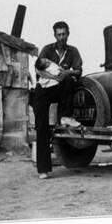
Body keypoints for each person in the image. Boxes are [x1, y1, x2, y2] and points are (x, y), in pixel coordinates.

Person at [33, 21, 82, 179]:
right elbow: (38, 69)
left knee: (69, 79)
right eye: (58, 34)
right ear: (54, 35)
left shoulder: (73, 51)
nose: (61, 37)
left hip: (60, 90)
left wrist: (66, 73)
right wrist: (54, 76)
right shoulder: (47, 49)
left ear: (68, 34)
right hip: (43, 91)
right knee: (41, 128)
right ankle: (43, 169)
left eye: (64, 34)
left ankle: (65, 116)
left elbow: (78, 71)